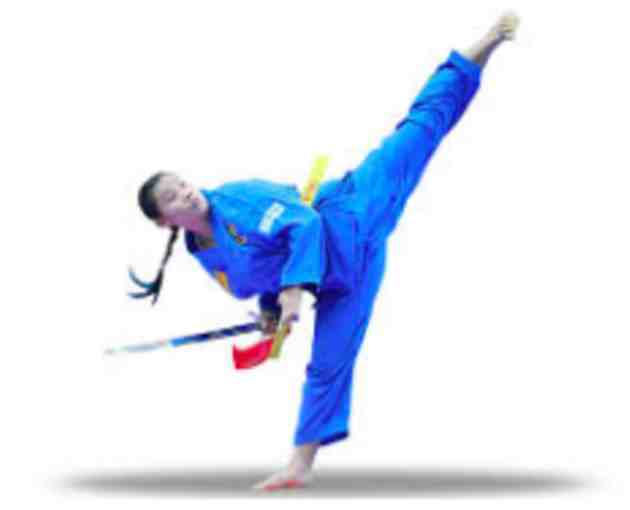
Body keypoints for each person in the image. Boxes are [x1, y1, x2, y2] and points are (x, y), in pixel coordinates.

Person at [131, 12, 520, 491]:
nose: (186, 193)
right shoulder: (204, 253)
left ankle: (484, 44)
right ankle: (300, 466)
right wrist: (270, 312)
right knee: (328, 365)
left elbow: (304, 223)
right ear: (164, 221)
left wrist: (293, 292)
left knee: (419, 128)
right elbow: (264, 274)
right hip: (346, 278)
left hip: (352, 211)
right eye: (172, 197)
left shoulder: (236, 199)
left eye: (182, 184)